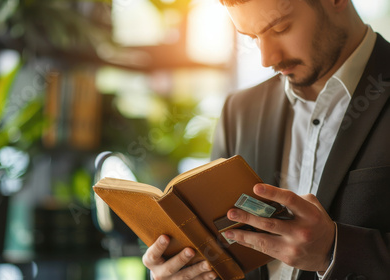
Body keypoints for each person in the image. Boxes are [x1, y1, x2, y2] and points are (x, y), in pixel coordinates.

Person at [142, 0, 390, 279]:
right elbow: (220, 250)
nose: (267, 58)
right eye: (251, 38)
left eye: (280, 28)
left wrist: (334, 250)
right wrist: (183, 270)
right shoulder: (239, 111)